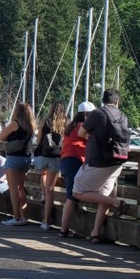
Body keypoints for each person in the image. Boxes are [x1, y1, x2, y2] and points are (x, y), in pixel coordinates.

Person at [72, 89, 132, 244]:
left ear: (103, 100)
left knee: (77, 191)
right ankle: (95, 233)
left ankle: (116, 203)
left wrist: (88, 135)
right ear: (118, 101)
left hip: (98, 160)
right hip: (118, 159)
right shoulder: (123, 115)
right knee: (103, 194)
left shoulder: (97, 113)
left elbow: (80, 132)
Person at [57, 102, 94, 238]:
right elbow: (93, 139)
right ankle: (64, 230)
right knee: (72, 196)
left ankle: (66, 228)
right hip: (75, 160)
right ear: (86, 115)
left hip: (66, 160)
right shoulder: (81, 127)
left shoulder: (71, 125)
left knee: (73, 194)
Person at [0, 102, 36, 227]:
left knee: (13, 188)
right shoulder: (31, 126)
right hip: (26, 158)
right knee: (20, 187)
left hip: (14, 158)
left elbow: (1, 137)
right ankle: (23, 216)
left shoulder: (14, 124)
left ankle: (17, 217)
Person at [34, 101, 67, 231]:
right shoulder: (66, 123)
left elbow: (38, 140)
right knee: (50, 189)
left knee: (43, 173)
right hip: (56, 157)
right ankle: (45, 222)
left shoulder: (44, 121)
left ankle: (42, 194)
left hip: (42, 155)